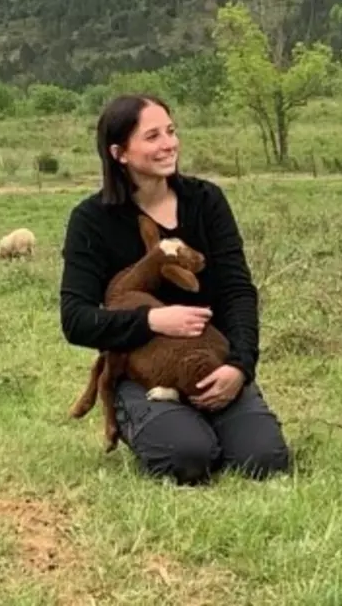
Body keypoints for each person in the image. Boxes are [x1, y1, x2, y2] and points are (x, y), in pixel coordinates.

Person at [59, 93, 292, 486]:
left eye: (170, 131)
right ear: (119, 153)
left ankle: (218, 415)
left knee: (264, 461)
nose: (169, 144)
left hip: (210, 361)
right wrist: (152, 320)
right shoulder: (91, 220)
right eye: (152, 136)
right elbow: (76, 319)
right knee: (188, 459)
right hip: (143, 375)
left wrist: (239, 366)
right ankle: (152, 419)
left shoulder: (206, 201)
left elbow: (237, 291)